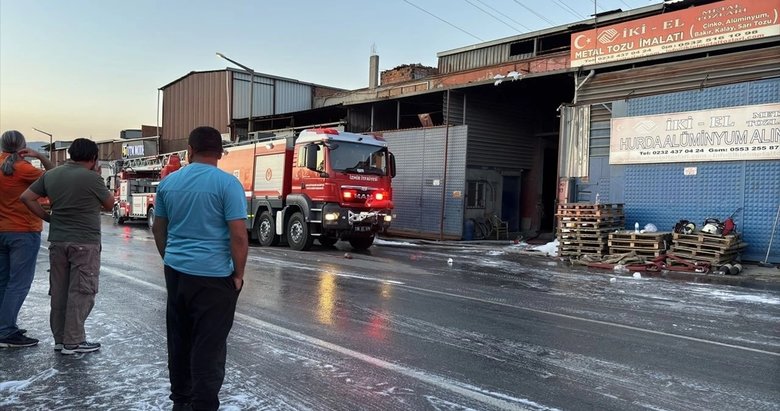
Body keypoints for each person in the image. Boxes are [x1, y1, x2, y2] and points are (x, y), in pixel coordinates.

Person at [152, 126, 248, 411]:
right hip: (215, 277)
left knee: (179, 339)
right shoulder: (228, 184)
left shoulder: (168, 183)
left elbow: (159, 228)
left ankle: (181, 401)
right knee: (209, 346)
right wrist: (238, 275)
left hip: (177, 273)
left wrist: (169, 258)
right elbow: (238, 235)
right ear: (220, 153)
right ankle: (203, 405)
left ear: (190, 151)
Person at [20, 138, 114, 355]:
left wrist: (48, 218)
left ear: (71, 154)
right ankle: (74, 341)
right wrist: (97, 176)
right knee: (81, 291)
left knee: (60, 291)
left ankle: (60, 340)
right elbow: (109, 204)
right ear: (93, 158)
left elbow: (27, 197)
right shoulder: (92, 178)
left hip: (58, 241)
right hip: (85, 242)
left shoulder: (52, 175)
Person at [0, 130, 54, 348]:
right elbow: (55, 177)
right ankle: (6, 331)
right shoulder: (23, 168)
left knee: (3, 281)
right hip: (23, 230)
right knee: (19, 283)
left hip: (2, 231)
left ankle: (4, 324)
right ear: (23, 146)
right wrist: (40, 156)